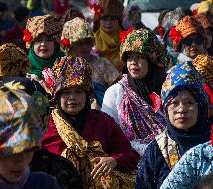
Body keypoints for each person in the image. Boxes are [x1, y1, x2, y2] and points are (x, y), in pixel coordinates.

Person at [42, 55, 140, 188]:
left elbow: (130, 155)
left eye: (78, 92)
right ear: (57, 97)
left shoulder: (103, 121)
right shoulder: (46, 125)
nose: (72, 98)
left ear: (87, 95)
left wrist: (113, 160)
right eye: (66, 93)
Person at [135, 61, 212, 189]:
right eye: (174, 103)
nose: (181, 109)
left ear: (201, 106)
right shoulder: (157, 149)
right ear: (165, 109)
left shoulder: (211, 141)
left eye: (189, 102)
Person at [102, 29, 170, 156]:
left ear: (152, 60)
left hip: (170, 154)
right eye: (129, 57)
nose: (133, 62)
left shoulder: (169, 86)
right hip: (131, 159)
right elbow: (110, 135)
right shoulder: (116, 92)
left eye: (139, 57)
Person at [60, 17, 120, 108]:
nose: (84, 47)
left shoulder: (102, 63)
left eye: (87, 42)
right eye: (79, 43)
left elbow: (118, 87)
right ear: (70, 46)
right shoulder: (61, 66)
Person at [24, 14, 64, 85]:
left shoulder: (67, 67)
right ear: (32, 45)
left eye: (49, 40)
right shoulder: (22, 70)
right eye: (39, 40)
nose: (43, 44)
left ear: (56, 44)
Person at [92, 0, 124, 72]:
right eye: (104, 19)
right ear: (99, 21)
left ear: (118, 21)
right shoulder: (91, 41)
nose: (108, 22)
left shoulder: (127, 40)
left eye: (112, 19)